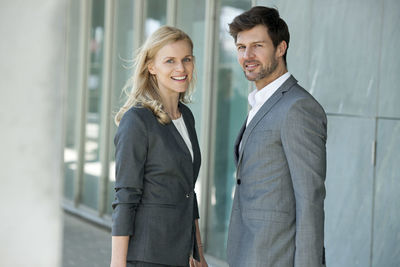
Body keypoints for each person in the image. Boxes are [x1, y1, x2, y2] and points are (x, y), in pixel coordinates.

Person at [226, 6, 327, 267]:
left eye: (257, 45)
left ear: (280, 48)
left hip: (275, 257)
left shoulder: (298, 108)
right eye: (241, 47)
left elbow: (310, 199)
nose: (247, 55)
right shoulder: (259, 103)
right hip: (248, 252)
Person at [110, 26, 208, 267]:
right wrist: (117, 263)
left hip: (182, 255)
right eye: (170, 61)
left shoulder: (186, 116)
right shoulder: (137, 120)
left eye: (186, 59)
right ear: (151, 66)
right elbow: (125, 198)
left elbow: (188, 194)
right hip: (147, 257)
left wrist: (200, 256)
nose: (181, 68)